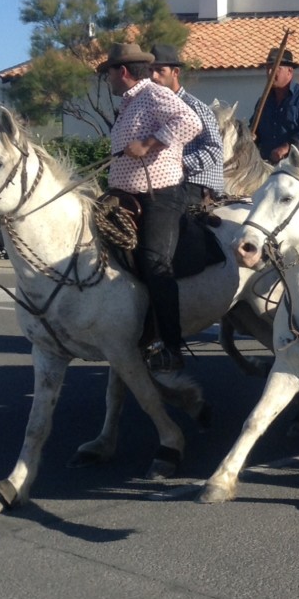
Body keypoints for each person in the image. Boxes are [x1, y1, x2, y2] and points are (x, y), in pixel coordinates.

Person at [100, 42, 202, 371]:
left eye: (109, 73)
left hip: (160, 194)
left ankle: (171, 347)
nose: (108, 80)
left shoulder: (152, 94)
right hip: (127, 193)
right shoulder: (130, 103)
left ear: (124, 72)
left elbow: (190, 122)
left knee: (156, 264)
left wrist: (148, 143)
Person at [150, 44, 225, 206]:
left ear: (175, 73)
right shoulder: (153, 108)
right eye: (150, 71)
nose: (154, 76)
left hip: (195, 185)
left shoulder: (194, 106)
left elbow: (214, 149)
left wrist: (180, 163)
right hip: (168, 183)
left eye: (160, 70)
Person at [251, 48, 299, 164]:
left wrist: (288, 147)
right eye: (268, 68)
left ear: (289, 71)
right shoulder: (263, 102)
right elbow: (254, 131)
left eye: (275, 68)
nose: (270, 73)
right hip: (268, 167)